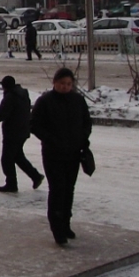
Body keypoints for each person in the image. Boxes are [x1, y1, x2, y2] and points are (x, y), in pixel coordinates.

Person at [31, 68, 93, 245]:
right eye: (62, 84)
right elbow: (34, 125)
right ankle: (57, 228)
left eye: (68, 84)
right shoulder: (45, 101)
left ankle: (66, 224)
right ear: (54, 83)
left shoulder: (78, 100)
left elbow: (86, 122)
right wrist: (51, 139)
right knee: (57, 189)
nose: (65, 87)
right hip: (53, 154)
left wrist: (82, 137)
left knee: (69, 190)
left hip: (73, 153)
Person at [0, 75, 44, 193]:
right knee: (17, 156)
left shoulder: (10, 97)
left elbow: (1, 115)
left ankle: (11, 184)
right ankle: (35, 176)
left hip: (12, 132)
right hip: (23, 130)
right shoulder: (23, 94)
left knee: (7, 159)